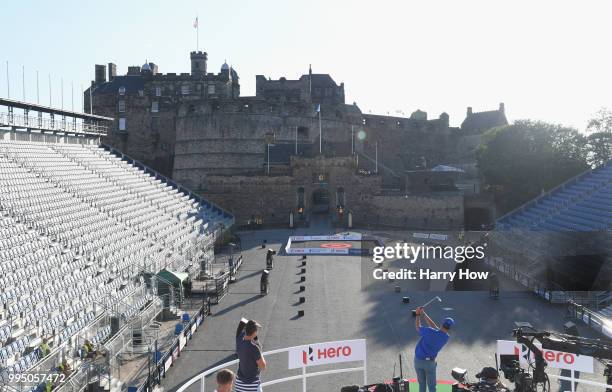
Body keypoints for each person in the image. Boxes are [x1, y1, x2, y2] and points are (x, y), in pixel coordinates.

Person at [414, 306, 453, 392]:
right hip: (430, 363)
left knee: (422, 385)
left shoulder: (429, 331)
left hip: (418, 361)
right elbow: (434, 327)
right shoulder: (446, 337)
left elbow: (418, 327)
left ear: (442, 323)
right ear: (450, 328)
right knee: (432, 387)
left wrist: (417, 315)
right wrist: (424, 314)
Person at [235, 320, 266, 392]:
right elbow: (263, 366)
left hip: (239, 383)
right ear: (255, 332)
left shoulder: (239, 339)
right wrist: (260, 351)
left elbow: (242, 322)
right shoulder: (254, 347)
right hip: (252, 385)